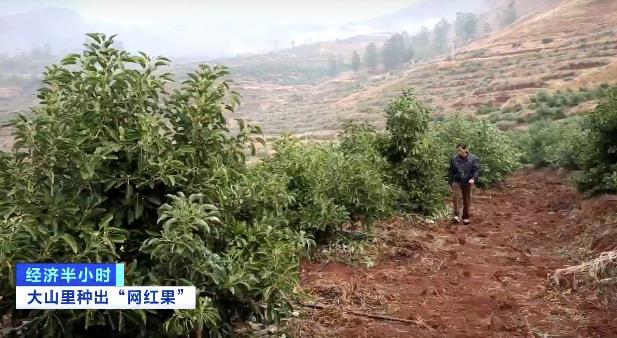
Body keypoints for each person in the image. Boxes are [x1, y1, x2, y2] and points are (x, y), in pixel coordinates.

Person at [448, 143, 480, 225]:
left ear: (466, 149)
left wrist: (473, 178)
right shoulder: (454, 159)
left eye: (460, 150)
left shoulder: (473, 159)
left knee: (467, 199)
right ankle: (456, 216)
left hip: (468, 181)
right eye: (458, 150)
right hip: (457, 181)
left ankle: (466, 217)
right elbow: (451, 172)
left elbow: (476, 170)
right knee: (456, 197)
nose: (459, 152)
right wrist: (450, 183)